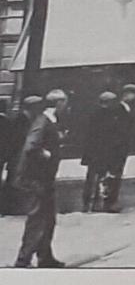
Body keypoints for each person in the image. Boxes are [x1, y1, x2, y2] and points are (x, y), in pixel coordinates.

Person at [13, 89, 68, 269]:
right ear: (58, 103)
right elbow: (31, 147)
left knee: (48, 219)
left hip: (45, 179)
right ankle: (23, 260)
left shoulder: (50, 121)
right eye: (65, 103)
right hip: (36, 180)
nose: (66, 107)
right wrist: (47, 154)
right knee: (37, 220)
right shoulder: (43, 121)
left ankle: (45, 257)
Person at [2, 97, 42, 216]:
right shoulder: (21, 120)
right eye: (37, 106)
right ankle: (7, 208)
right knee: (12, 183)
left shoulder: (28, 119)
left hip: (20, 157)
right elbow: (17, 140)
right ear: (32, 107)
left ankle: (13, 207)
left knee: (17, 182)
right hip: (17, 157)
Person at [80, 92, 120, 213]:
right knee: (100, 178)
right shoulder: (106, 115)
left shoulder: (94, 113)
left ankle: (89, 203)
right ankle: (97, 203)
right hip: (101, 152)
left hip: (94, 152)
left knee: (92, 177)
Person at [108, 83, 135, 212]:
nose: (134, 97)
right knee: (113, 174)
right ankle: (110, 201)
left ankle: (113, 200)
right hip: (117, 147)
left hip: (122, 147)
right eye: (132, 94)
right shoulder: (118, 109)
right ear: (125, 94)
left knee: (117, 174)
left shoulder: (128, 108)